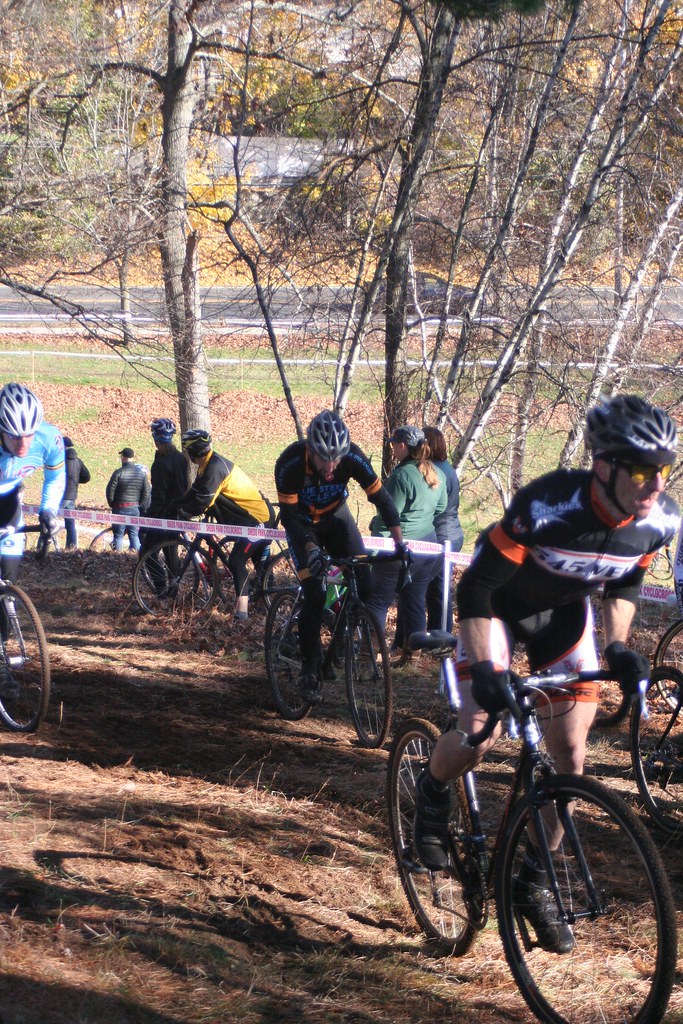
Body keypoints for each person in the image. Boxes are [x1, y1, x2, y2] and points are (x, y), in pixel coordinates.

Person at [413, 393, 680, 955]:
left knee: (571, 757)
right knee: (478, 730)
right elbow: (476, 588)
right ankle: (432, 794)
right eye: (640, 469)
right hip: (498, 611)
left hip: (563, 618)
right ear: (603, 467)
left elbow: (627, 580)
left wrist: (620, 644)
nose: (655, 482)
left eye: (665, 468)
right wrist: (486, 667)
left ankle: (532, 878)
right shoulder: (548, 504)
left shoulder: (659, 519)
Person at [274, 409, 406, 702]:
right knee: (315, 594)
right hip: (303, 528)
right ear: (311, 450)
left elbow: (383, 500)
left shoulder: (352, 458)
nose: (332, 466)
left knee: (366, 584)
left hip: (337, 519)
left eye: (337, 458)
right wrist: (311, 551)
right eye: (324, 458)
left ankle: (341, 636)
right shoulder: (290, 463)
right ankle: (309, 670)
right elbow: (291, 520)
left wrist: (400, 546)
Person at [365, 425, 446, 667]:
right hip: (427, 547)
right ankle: (413, 657)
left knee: (378, 601)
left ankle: (366, 656)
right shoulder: (435, 473)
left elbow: (390, 514)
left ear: (403, 446)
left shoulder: (400, 476)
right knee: (414, 600)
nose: (393, 449)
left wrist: (374, 546)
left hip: (397, 548)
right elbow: (440, 508)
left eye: (394, 445)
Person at [178, 429, 275, 620]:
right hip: (250, 518)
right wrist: (175, 506)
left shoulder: (215, 467)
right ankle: (268, 603)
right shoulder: (206, 465)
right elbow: (194, 493)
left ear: (192, 452)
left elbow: (202, 502)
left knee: (237, 561)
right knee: (259, 564)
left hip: (257, 520)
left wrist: (184, 512)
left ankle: (242, 612)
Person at [0, 382, 65, 582]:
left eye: (29, 435)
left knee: (7, 586)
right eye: (14, 436)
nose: (23, 444)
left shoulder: (49, 438)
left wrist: (48, 511)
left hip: (9, 502)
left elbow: (55, 478)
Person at [423, 425, 464, 632]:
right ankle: (435, 635)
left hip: (443, 536)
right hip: (449, 533)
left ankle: (440, 637)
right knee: (435, 588)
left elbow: (434, 508)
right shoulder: (445, 468)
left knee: (437, 588)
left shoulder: (438, 472)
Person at [139, 418, 190, 556]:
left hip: (163, 515)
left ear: (155, 439)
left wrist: (148, 518)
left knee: (146, 554)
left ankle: (160, 579)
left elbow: (158, 496)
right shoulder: (180, 458)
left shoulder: (160, 464)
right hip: (178, 512)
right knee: (170, 553)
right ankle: (174, 578)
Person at [106, 447, 151, 552]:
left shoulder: (118, 473)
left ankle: (116, 557)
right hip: (134, 508)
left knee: (118, 535)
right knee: (134, 534)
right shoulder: (141, 474)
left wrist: (112, 503)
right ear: (133, 458)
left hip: (120, 508)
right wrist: (139, 504)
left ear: (123, 458)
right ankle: (137, 558)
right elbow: (146, 492)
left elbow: (110, 491)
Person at [60, 436, 91, 550]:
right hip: (72, 496)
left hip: (60, 495)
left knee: (49, 519)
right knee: (70, 523)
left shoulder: (60, 461)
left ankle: (43, 544)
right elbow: (87, 477)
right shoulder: (78, 461)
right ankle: (71, 546)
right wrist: (76, 481)